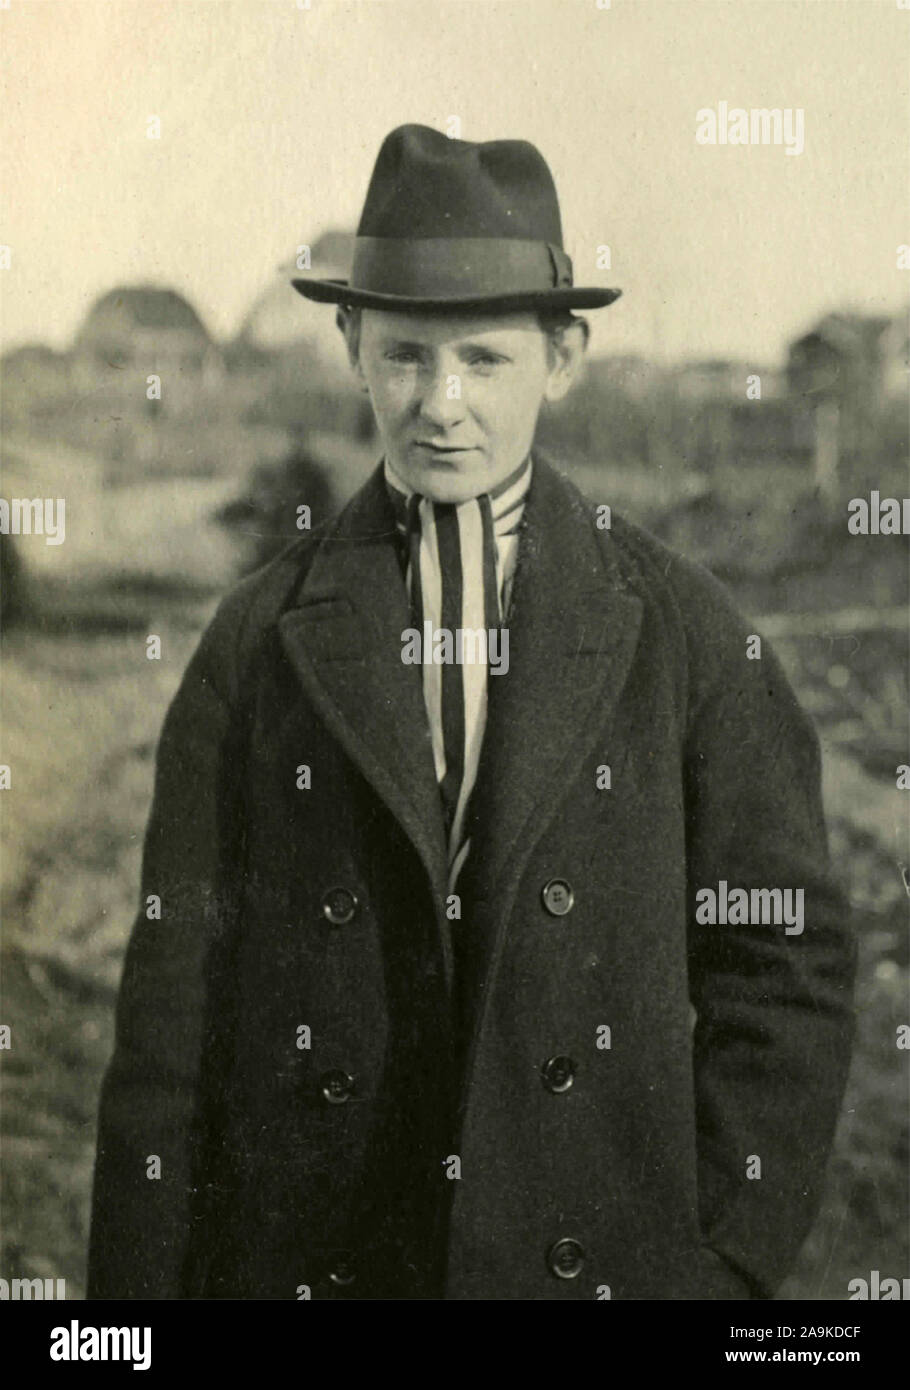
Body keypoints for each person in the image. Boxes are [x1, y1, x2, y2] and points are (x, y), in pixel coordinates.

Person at [87, 123, 856, 1301]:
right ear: (350, 345)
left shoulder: (688, 637)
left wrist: (719, 1260)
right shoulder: (255, 646)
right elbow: (169, 1022)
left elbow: (783, 966)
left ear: (563, 357)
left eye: (484, 361)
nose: (440, 406)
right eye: (404, 356)